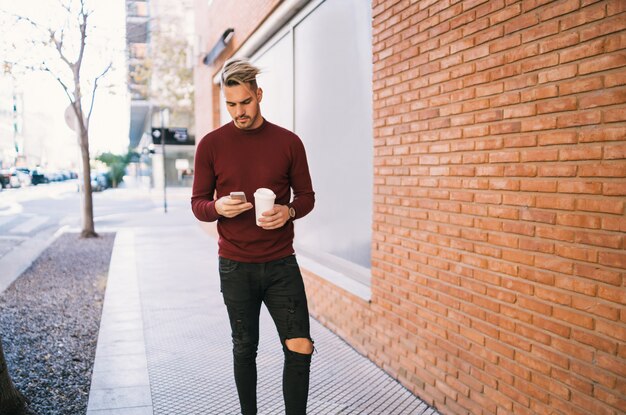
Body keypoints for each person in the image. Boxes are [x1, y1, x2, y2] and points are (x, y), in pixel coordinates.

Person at [191, 58, 315, 415]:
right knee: (244, 348)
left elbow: (306, 197)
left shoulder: (288, 142)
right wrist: (217, 209)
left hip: (280, 264)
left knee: (300, 345)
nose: (238, 112)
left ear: (258, 95)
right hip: (235, 266)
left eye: (245, 102)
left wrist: (288, 210)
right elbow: (198, 203)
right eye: (231, 105)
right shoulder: (211, 145)